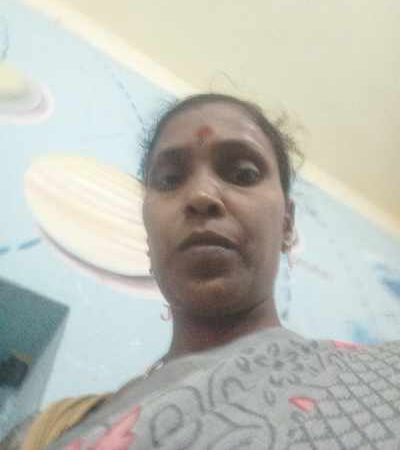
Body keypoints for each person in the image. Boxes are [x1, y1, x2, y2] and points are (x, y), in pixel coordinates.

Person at [2, 93, 400, 449]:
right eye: (169, 180)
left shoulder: (383, 380)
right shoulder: (48, 432)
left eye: (243, 174)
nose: (201, 195)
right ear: (147, 231)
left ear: (287, 224)